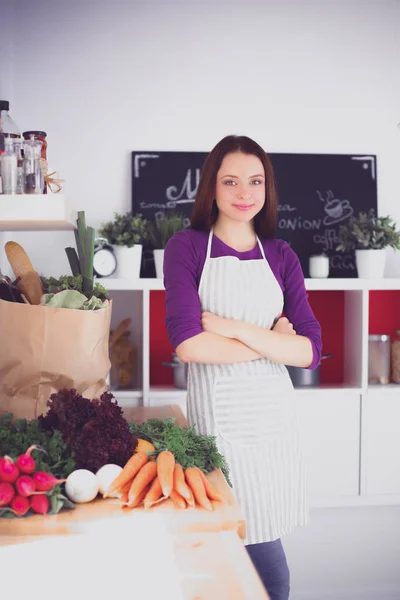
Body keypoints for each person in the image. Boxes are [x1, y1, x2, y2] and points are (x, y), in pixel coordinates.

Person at [163, 135, 322, 600]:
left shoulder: (281, 255)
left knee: (265, 551)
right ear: (211, 187)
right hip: (220, 427)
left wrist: (234, 328)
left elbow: (309, 351)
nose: (244, 192)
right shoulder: (187, 247)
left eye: (255, 181)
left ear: (267, 188)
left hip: (273, 422)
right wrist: (275, 342)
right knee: (240, 553)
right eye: (230, 181)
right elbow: (189, 344)